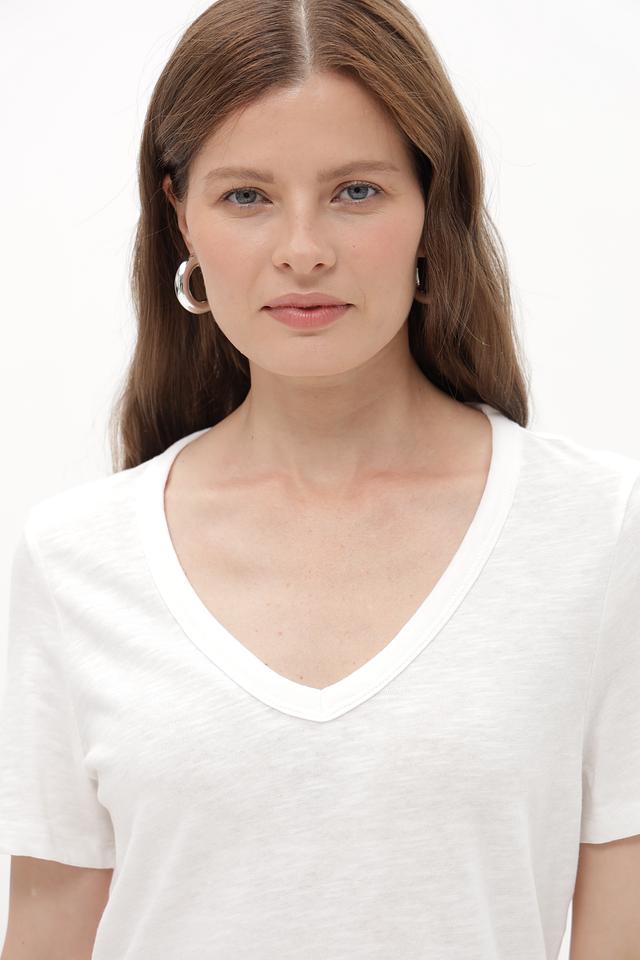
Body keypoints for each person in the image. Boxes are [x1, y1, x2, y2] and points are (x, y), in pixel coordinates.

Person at [1, 1, 639, 958]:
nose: (303, 249)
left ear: (432, 205)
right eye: (246, 197)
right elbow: (49, 928)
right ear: (180, 216)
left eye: (356, 191)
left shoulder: (598, 528)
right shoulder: (74, 560)